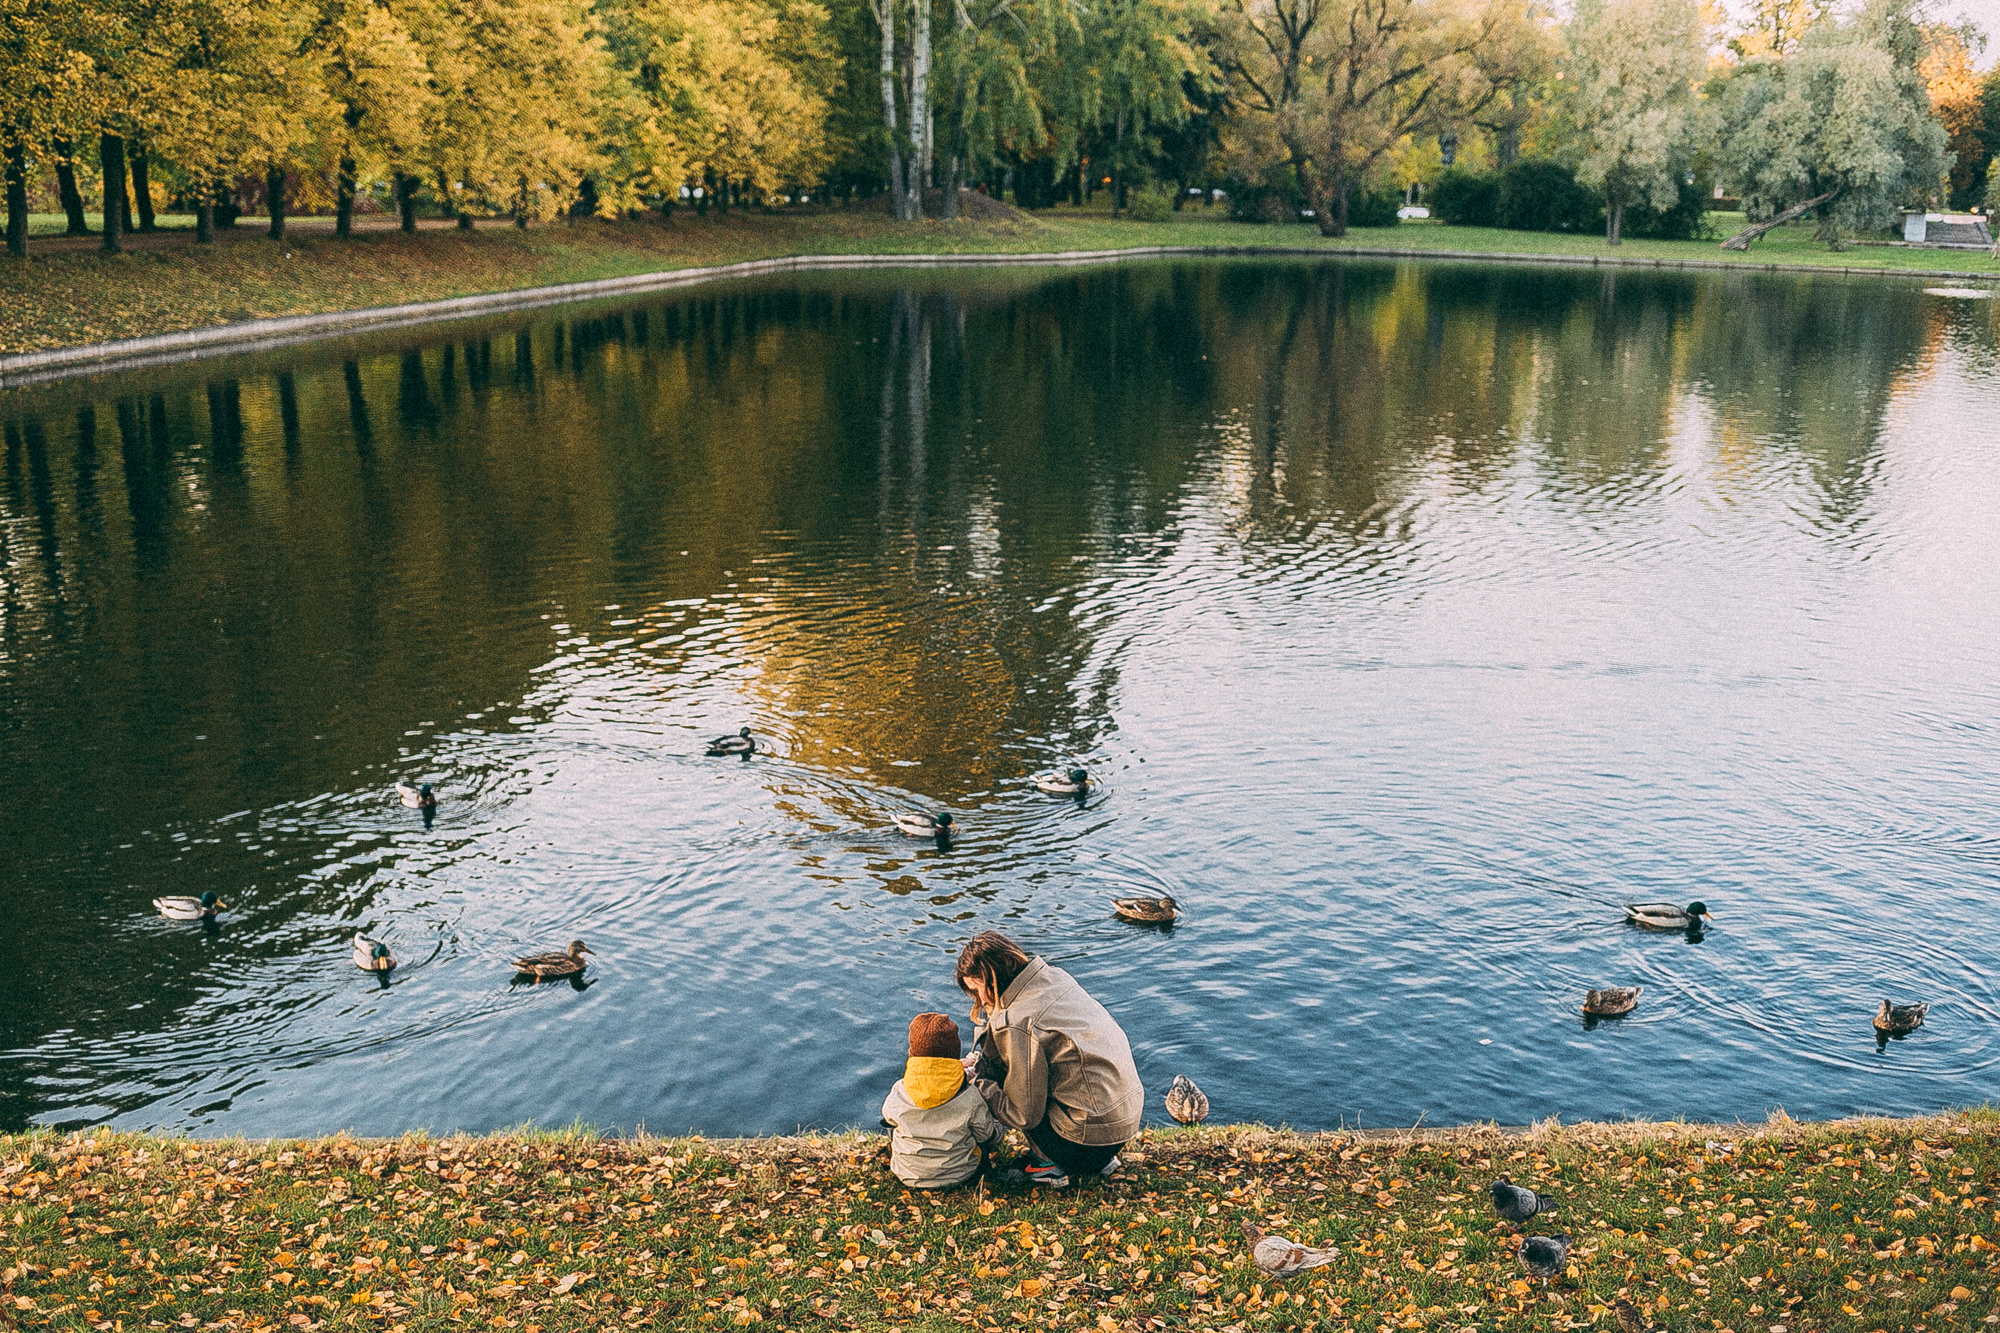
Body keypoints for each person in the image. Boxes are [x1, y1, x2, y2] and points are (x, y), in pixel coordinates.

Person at [956, 931, 1142, 1187]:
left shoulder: (1018, 1020)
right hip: (1121, 1124)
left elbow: (1024, 1115)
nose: (981, 1000)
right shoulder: (1055, 977)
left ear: (993, 980)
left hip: (1082, 1144)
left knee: (1007, 1084)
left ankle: (1047, 1164)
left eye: (977, 990)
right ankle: (1098, 1160)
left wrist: (978, 1082)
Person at [881, 1013, 1004, 1190]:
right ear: (955, 1054)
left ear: (912, 1052)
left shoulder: (900, 1090)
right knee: (987, 1129)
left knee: (893, 1126)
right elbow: (986, 1135)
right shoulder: (969, 1095)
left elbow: (889, 1119)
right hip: (959, 1175)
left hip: (907, 1174)